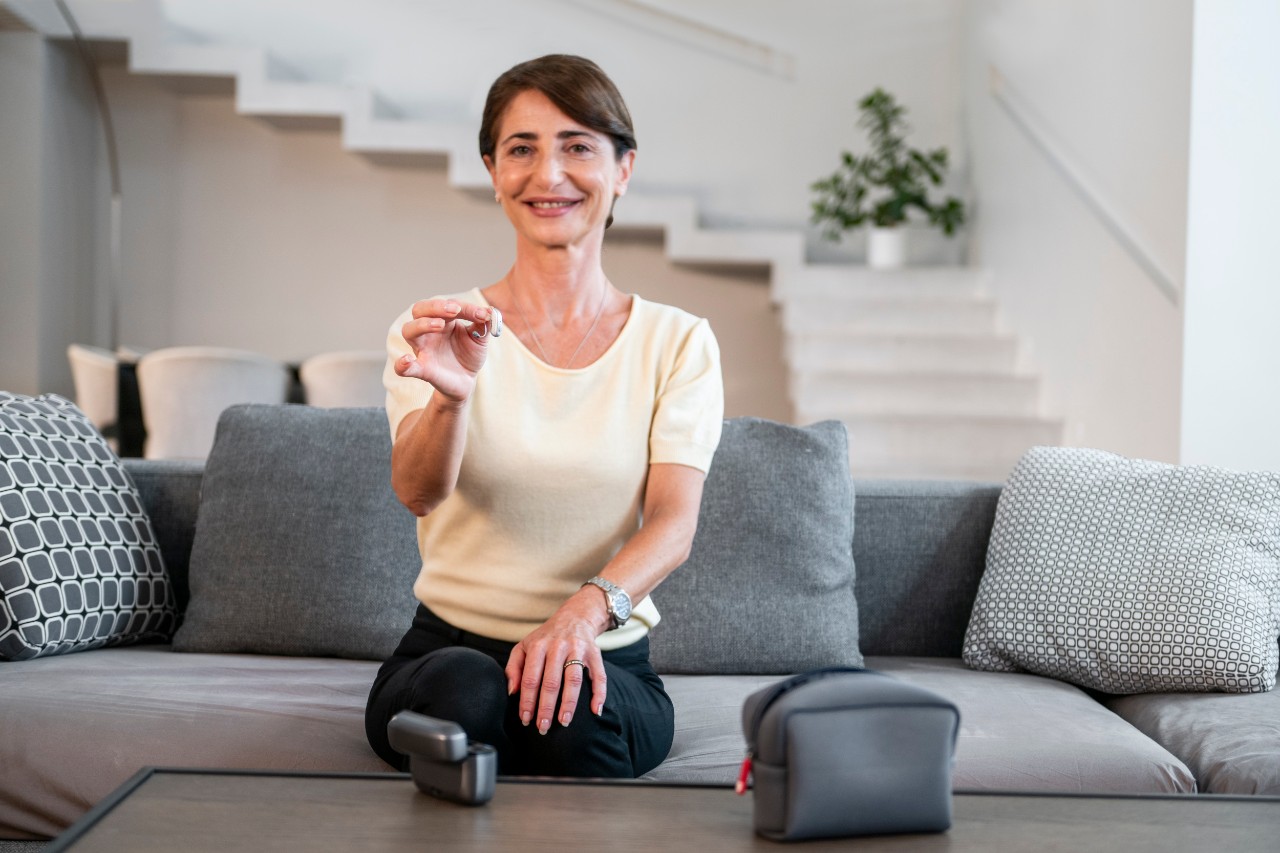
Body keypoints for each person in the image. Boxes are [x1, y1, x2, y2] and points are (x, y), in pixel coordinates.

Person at [364, 54, 724, 778]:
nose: (549, 174)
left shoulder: (679, 341)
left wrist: (579, 617)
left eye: (578, 146)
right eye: (522, 149)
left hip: (604, 652)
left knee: (572, 711)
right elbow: (418, 493)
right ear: (495, 172)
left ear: (623, 169)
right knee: (467, 690)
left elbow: (672, 523)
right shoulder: (438, 328)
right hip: (446, 653)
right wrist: (453, 396)